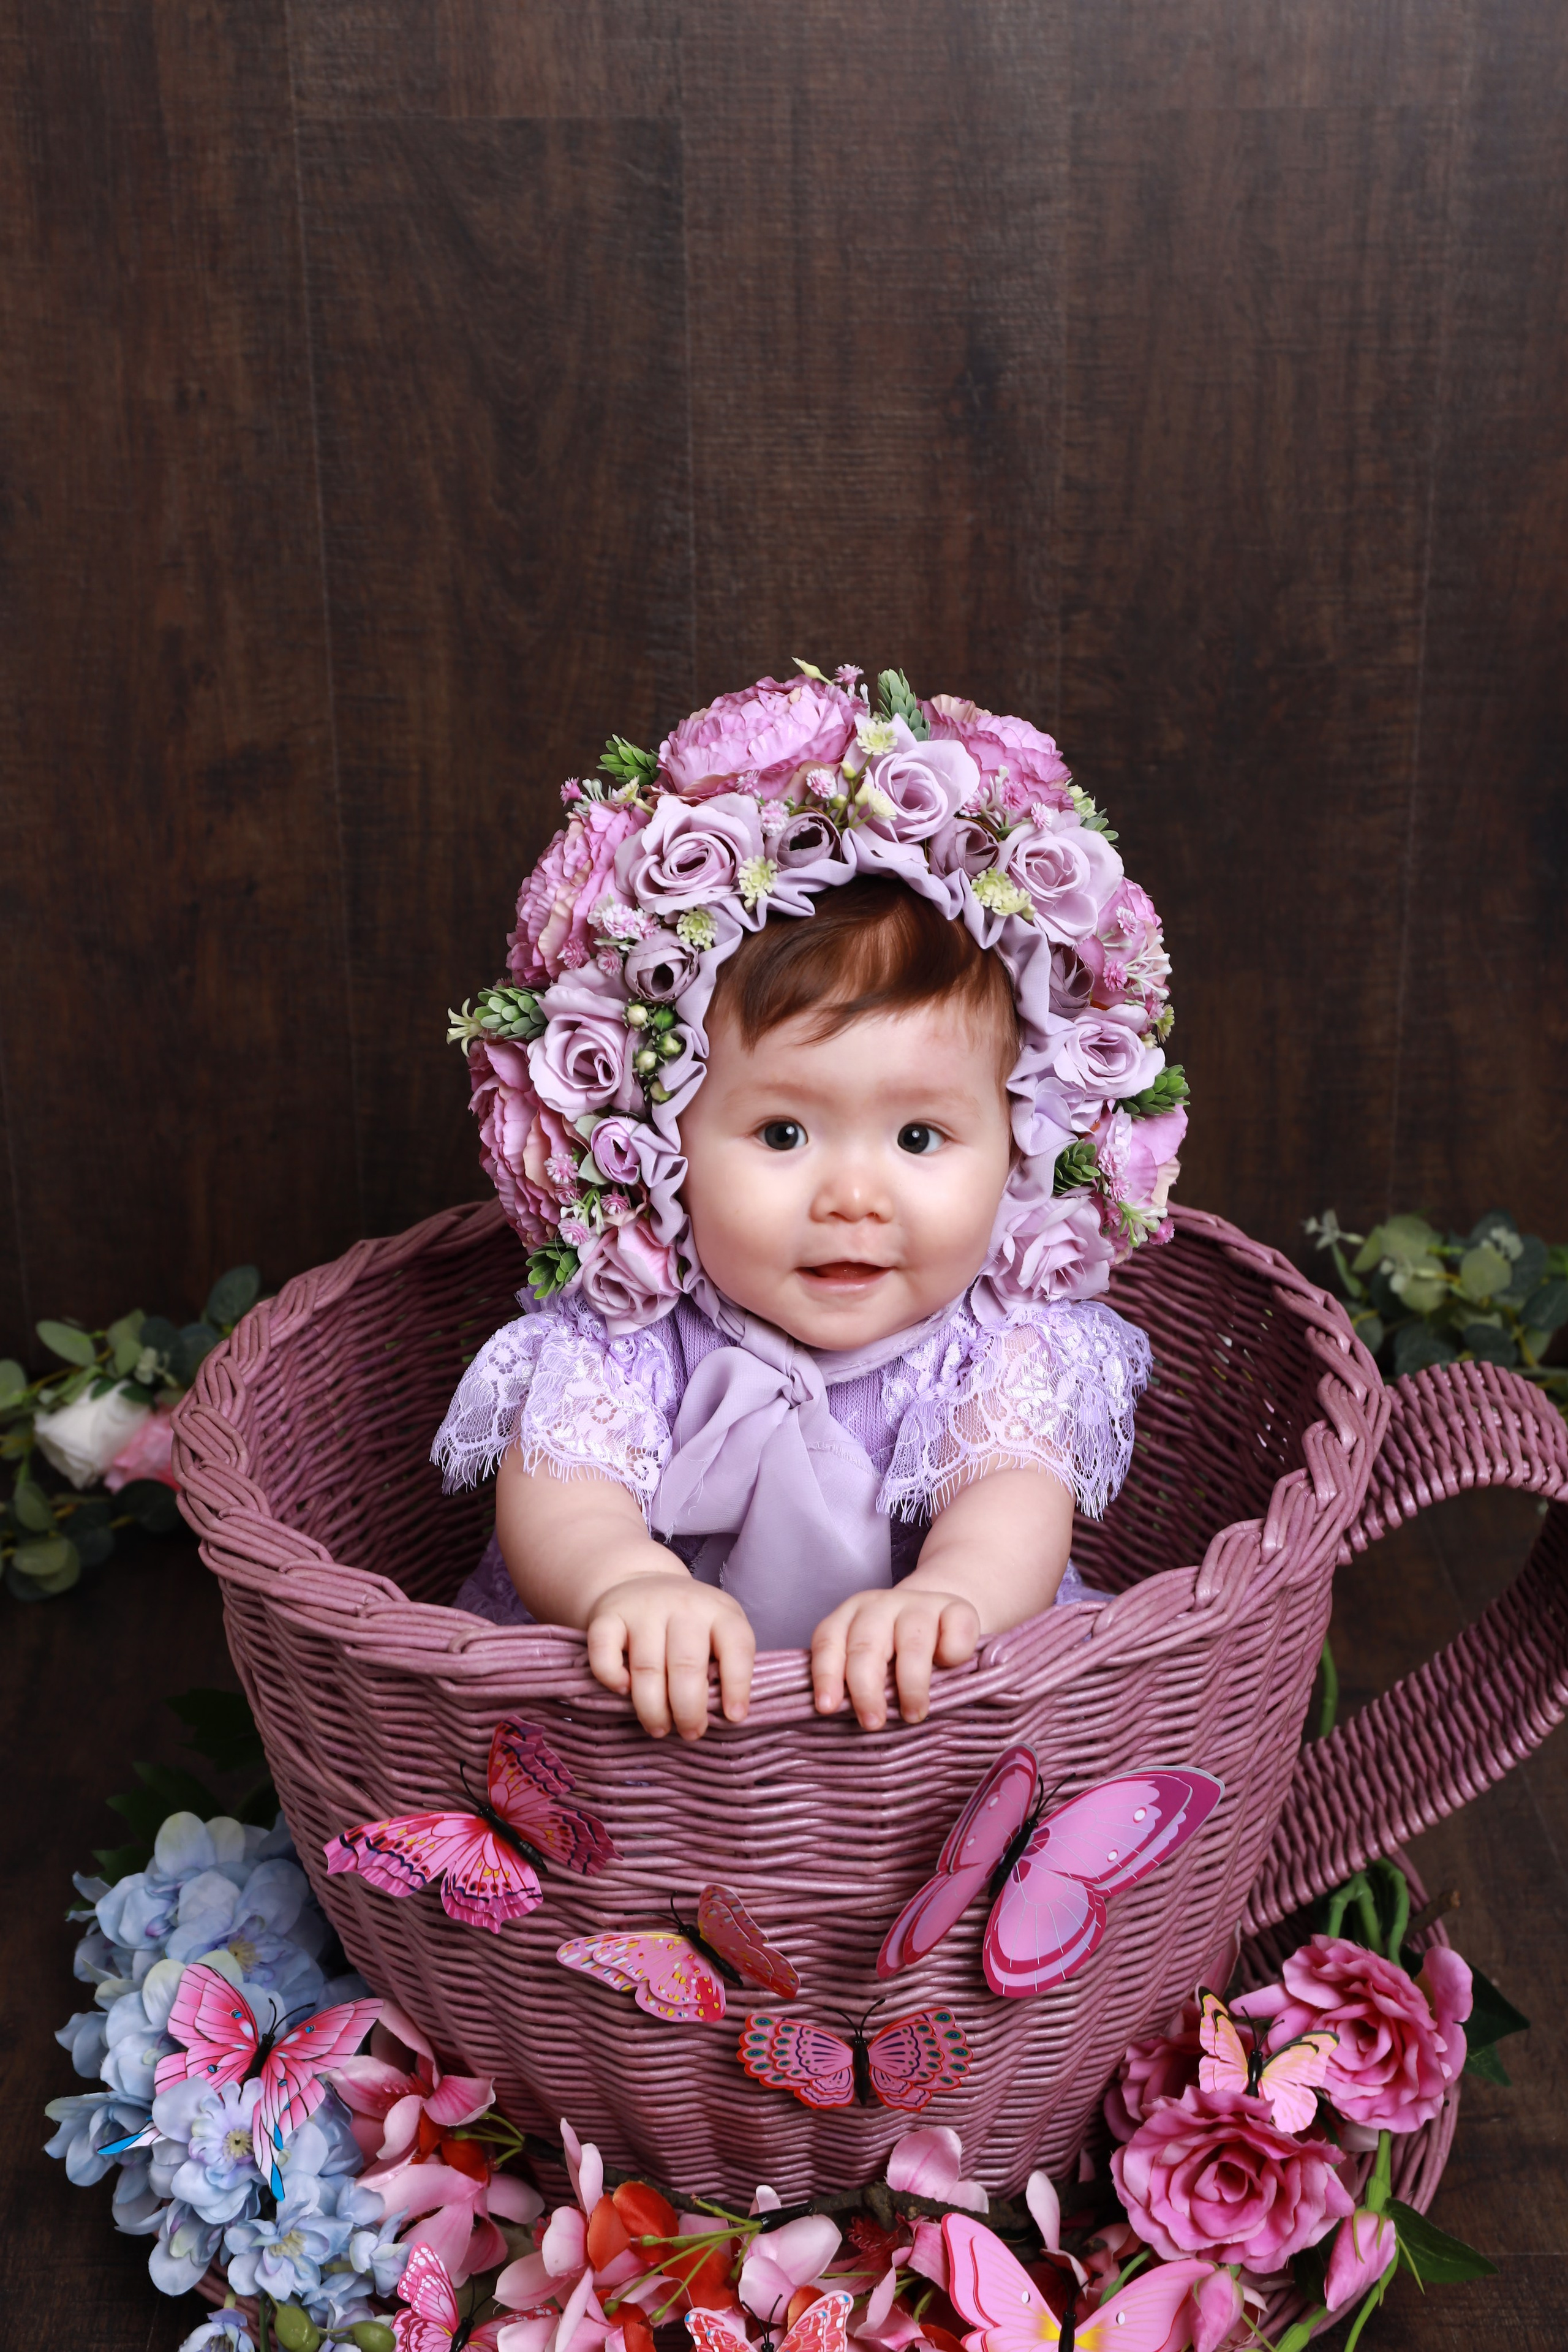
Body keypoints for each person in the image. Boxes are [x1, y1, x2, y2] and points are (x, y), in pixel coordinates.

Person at [434, 674, 1185, 1746]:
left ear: (1021, 1147)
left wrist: (950, 1596)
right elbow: (562, 1493)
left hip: (926, 1731)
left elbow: (1013, 1502)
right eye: (782, 1135)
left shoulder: (992, 1343)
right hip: (650, 1746)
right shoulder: (635, 1333)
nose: (852, 1198)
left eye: (920, 1138)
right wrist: (620, 1583)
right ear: (660, 1143)